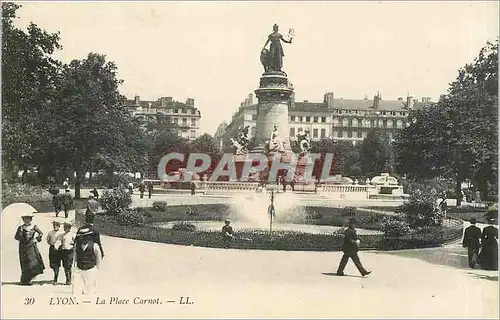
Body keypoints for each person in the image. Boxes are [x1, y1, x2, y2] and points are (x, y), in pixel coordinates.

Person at [14, 213, 45, 285]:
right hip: (23, 247)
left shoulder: (34, 227)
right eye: (24, 219)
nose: (26, 220)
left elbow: (41, 233)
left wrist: (37, 239)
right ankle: (25, 280)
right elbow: (16, 237)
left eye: (28, 219)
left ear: (30, 219)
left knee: (32, 262)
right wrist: (20, 232)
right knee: (24, 263)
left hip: (31, 246)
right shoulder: (20, 227)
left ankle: (30, 279)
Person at [72, 228, 102, 296]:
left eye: (86, 236)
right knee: (76, 289)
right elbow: (75, 257)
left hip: (90, 270)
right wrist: (74, 268)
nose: (84, 238)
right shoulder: (77, 245)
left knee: (90, 290)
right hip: (79, 269)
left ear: (89, 236)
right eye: (82, 236)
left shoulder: (95, 245)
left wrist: (96, 269)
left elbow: (98, 258)